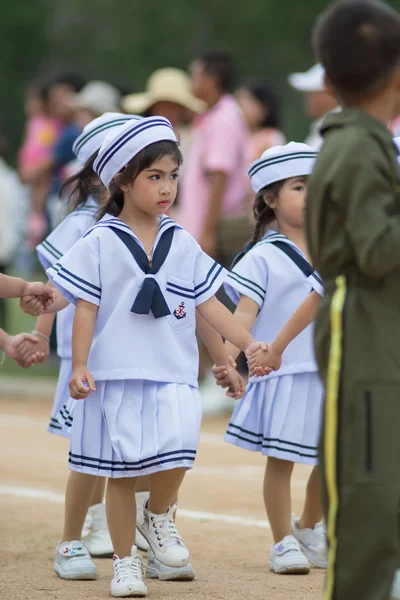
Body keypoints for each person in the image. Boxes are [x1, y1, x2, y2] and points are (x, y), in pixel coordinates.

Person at [45, 116, 262, 598]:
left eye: (173, 176)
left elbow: (210, 304)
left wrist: (243, 349)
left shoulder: (181, 240)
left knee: (181, 451)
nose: (168, 188)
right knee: (121, 472)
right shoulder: (99, 240)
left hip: (173, 373)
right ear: (121, 179)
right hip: (115, 375)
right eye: (154, 176)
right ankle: (126, 564)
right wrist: (79, 363)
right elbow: (85, 307)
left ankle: (157, 515)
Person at [15, 113, 143, 581]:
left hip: (130, 354)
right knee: (92, 446)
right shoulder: (82, 224)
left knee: (127, 446)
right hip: (83, 354)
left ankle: (117, 524)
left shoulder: (152, 223)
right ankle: (88, 525)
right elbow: (54, 284)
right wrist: (41, 334)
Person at [304, 1, 400, 598]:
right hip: (360, 326)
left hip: (377, 326)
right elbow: (379, 250)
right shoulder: (360, 147)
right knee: (367, 499)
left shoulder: (360, 142)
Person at [212, 142, 327, 575]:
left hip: (332, 369)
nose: (312, 194)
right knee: (282, 460)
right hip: (285, 373)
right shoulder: (263, 255)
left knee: (332, 457)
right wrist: (228, 358)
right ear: (270, 199)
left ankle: (309, 527)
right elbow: (243, 314)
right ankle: (282, 542)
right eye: (300, 187)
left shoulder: (335, 247)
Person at [178, 50, 249, 266]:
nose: (191, 82)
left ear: (212, 80)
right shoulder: (212, 115)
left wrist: (208, 234)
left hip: (212, 229)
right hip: (200, 227)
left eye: (195, 76)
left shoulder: (224, 118)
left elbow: (219, 176)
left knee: (216, 297)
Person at [122, 68, 204, 166]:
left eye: (173, 107)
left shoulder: (194, 139)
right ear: (152, 107)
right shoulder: (138, 138)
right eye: (163, 106)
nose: (168, 112)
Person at [235, 77, 286, 164]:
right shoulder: (235, 135)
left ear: (264, 108)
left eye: (249, 101)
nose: (241, 107)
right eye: (238, 101)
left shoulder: (271, 138)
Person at [288, 63, 338, 150]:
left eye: (313, 93)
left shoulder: (335, 126)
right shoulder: (323, 124)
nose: (308, 99)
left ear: (330, 92)